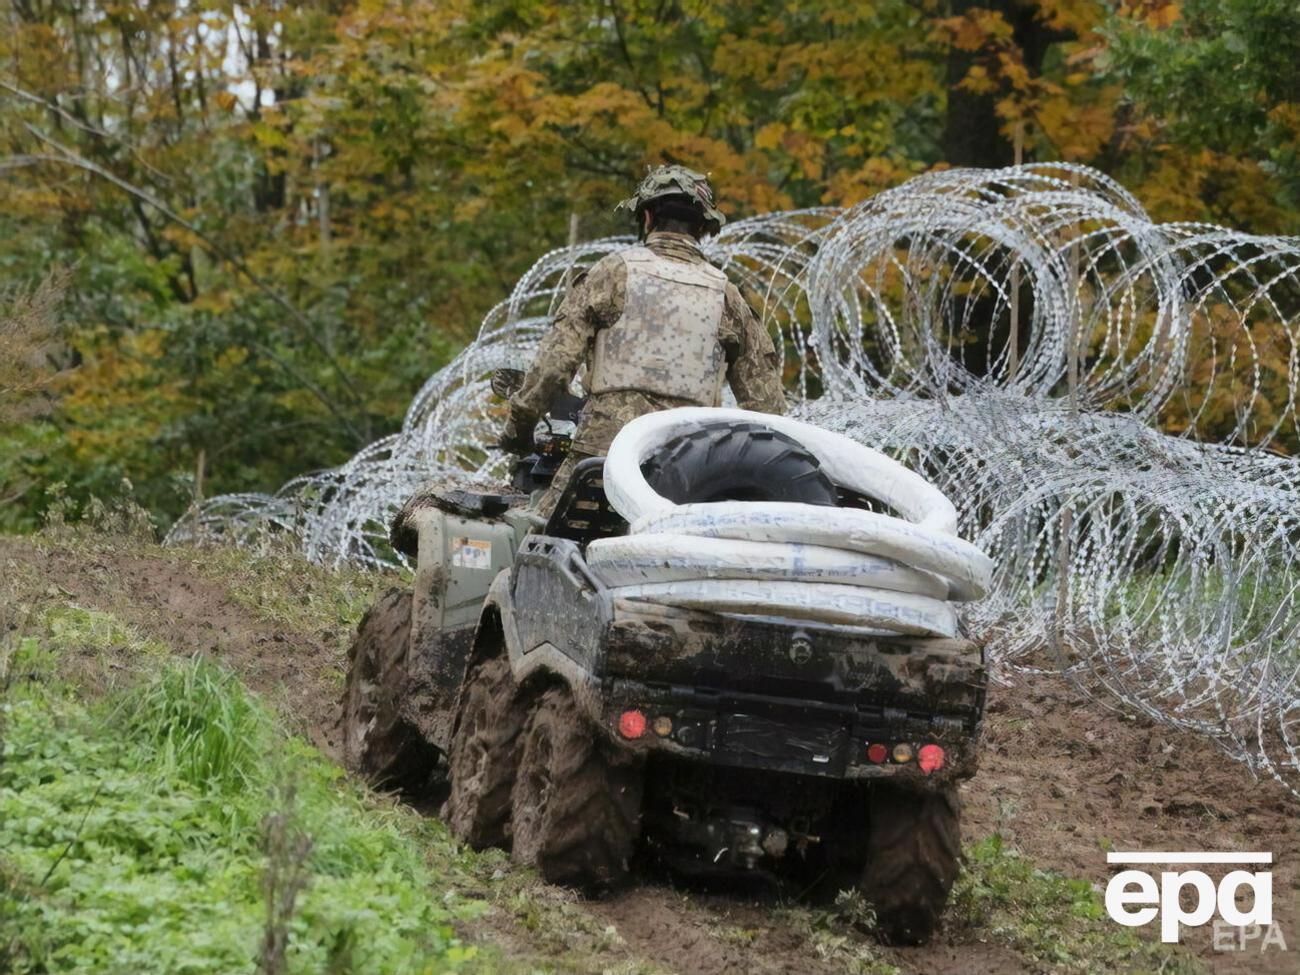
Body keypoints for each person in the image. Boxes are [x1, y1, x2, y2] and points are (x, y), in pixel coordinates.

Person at [500, 165, 786, 516]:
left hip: (604, 460)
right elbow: (768, 409)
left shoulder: (612, 274)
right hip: (690, 472)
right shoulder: (728, 297)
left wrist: (519, 428)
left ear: (647, 217)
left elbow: (553, 367)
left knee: (536, 543)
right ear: (702, 228)